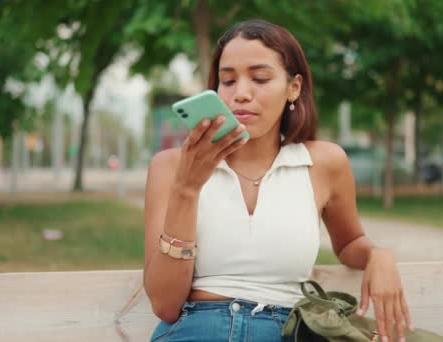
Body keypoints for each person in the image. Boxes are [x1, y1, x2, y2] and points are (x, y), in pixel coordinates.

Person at [144, 19, 412, 342]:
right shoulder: (171, 167)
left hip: (284, 330)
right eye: (227, 81)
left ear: (293, 88)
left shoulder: (324, 163)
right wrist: (187, 189)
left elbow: (349, 242)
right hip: (195, 329)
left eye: (259, 78)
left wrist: (378, 255)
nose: (240, 94)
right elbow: (165, 304)